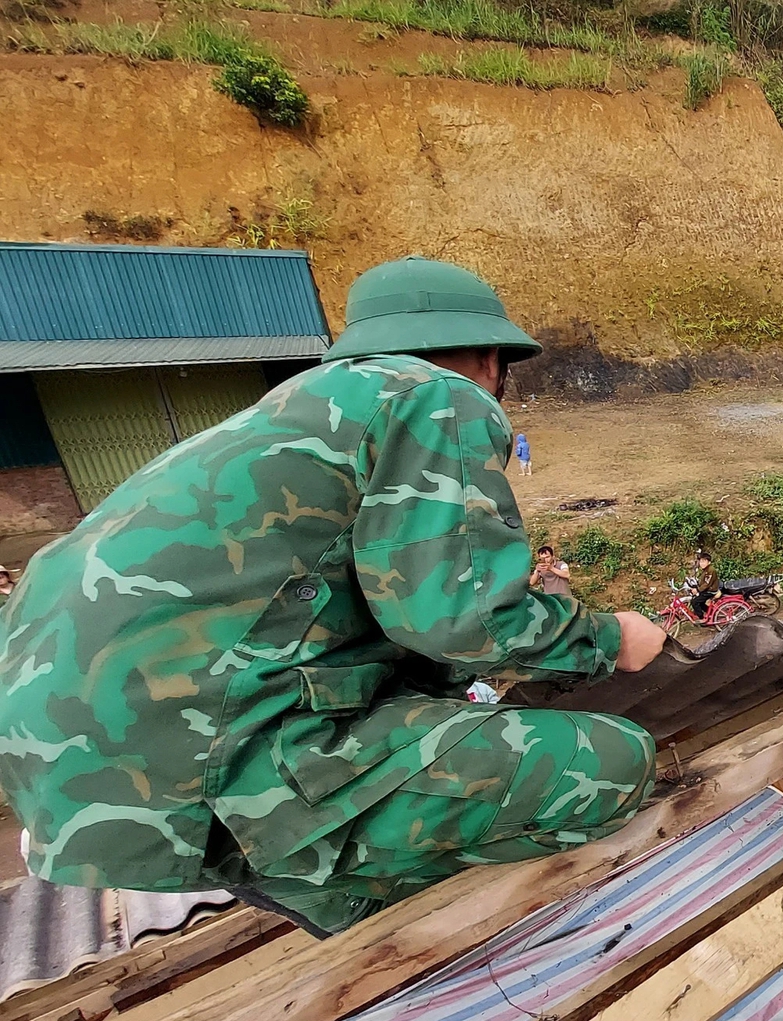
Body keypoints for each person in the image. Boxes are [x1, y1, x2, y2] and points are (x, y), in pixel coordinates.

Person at [0, 257, 670, 937]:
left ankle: (350, 899)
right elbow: (460, 619)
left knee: (379, 857)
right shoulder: (435, 394)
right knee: (613, 761)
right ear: (489, 356)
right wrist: (611, 640)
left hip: (71, 785)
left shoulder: (292, 415)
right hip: (203, 754)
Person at [688, 550, 720, 620]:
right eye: (701, 561)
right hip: (707, 589)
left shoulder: (710, 570)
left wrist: (698, 590)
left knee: (694, 602)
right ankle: (711, 612)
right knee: (700, 602)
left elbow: (706, 584)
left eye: (704, 561)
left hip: (710, 590)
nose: (701, 563)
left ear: (709, 562)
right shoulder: (706, 569)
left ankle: (701, 618)